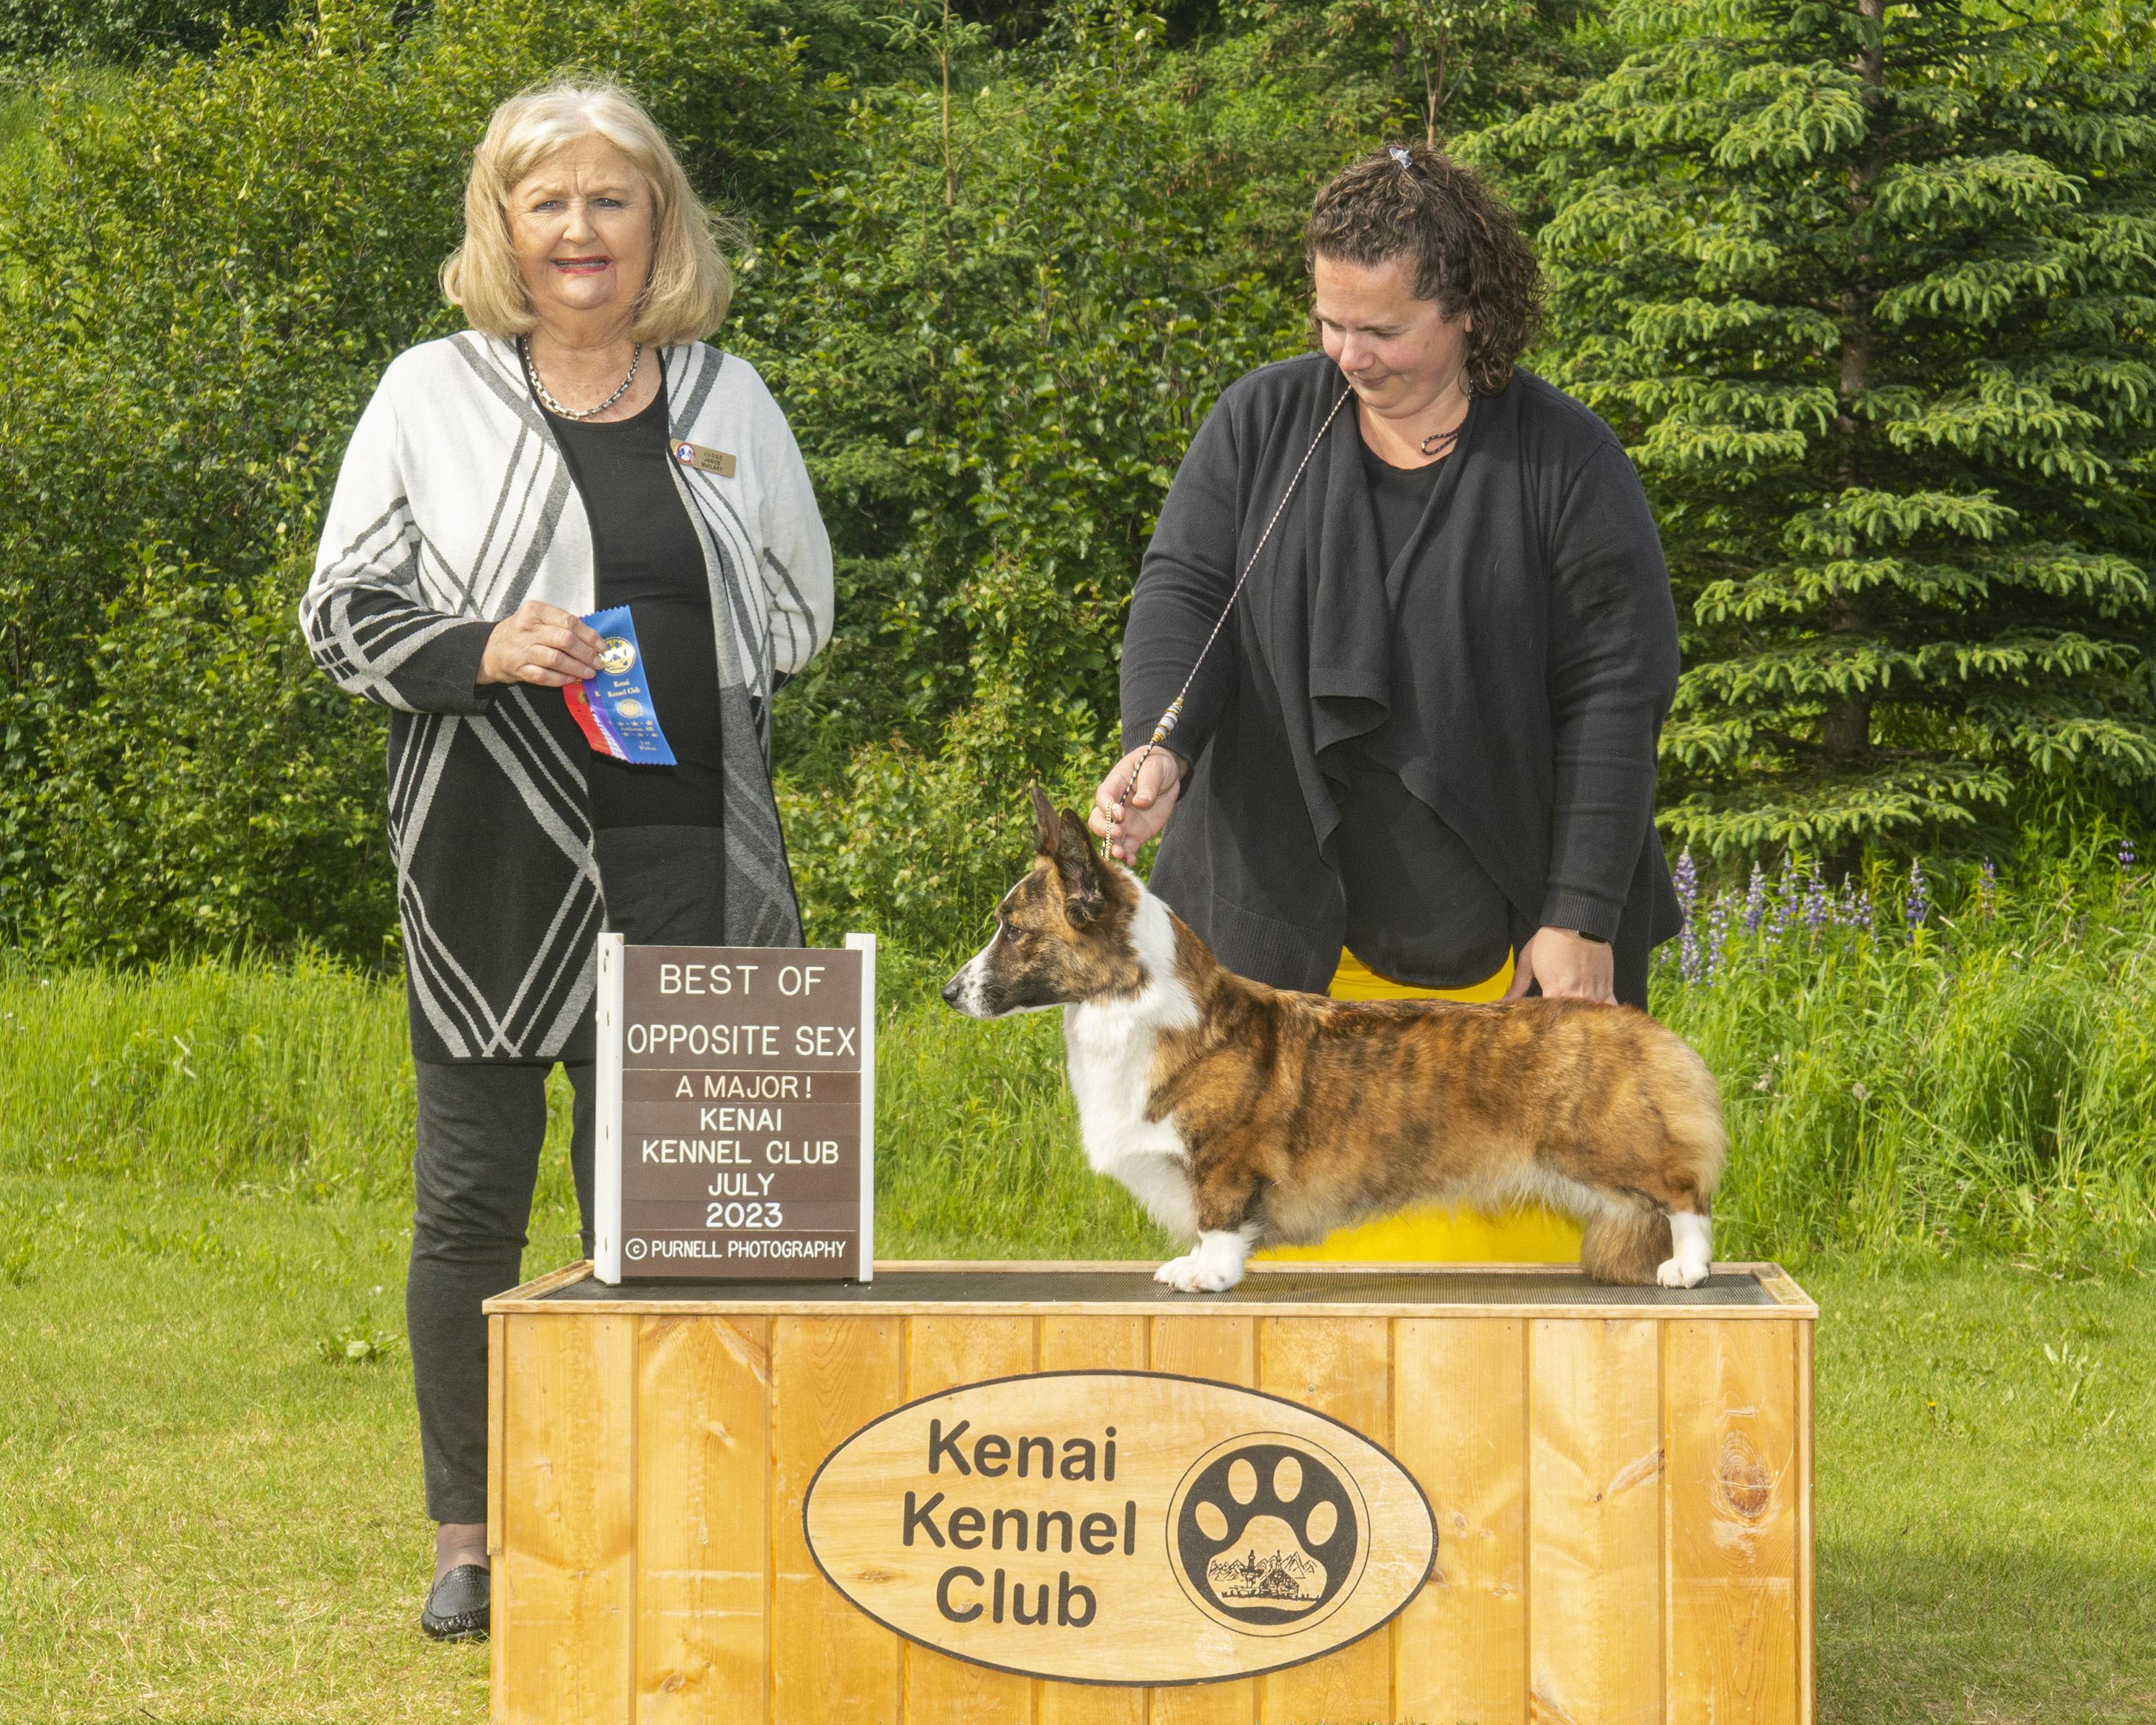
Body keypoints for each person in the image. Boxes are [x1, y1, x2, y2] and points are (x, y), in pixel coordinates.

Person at [301, 82, 831, 1641]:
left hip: (690, 843)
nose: (581, 230)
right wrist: (484, 644)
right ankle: (470, 1544)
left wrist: (689, 640)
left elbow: (802, 616)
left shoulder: (730, 396)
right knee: (473, 1205)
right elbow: (339, 612)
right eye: (550, 202)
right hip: (490, 845)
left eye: (612, 199)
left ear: (659, 222)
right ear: (504, 224)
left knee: (668, 1209)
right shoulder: (428, 390)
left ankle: (660, 1521)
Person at [1092, 142, 1682, 1265]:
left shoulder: (1567, 460)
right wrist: (1161, 743)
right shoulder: (1259, 422)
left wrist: (1580, 914)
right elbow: (1187, 593)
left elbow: (1619, 692)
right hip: (1279, 951)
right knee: (1279, 1308)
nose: (1349, 354)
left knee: (1522, 1309)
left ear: (1467, 310)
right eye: (1330, 322)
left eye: (1383, 329)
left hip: (1505, 966)